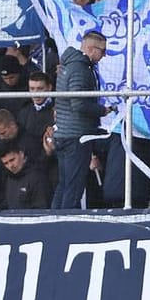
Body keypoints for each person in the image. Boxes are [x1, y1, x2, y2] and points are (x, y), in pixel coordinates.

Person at [52, 31, 108, 209]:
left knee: (64, 183)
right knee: (73, 187)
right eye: (102, 51)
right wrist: (103, 110)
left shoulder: (69, 66)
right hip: (76, 136)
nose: (104, 55)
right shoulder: (80, 69)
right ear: (91, 49)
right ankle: (65, 224)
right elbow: (79, 104)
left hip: (63, 133)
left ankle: (51, 220)